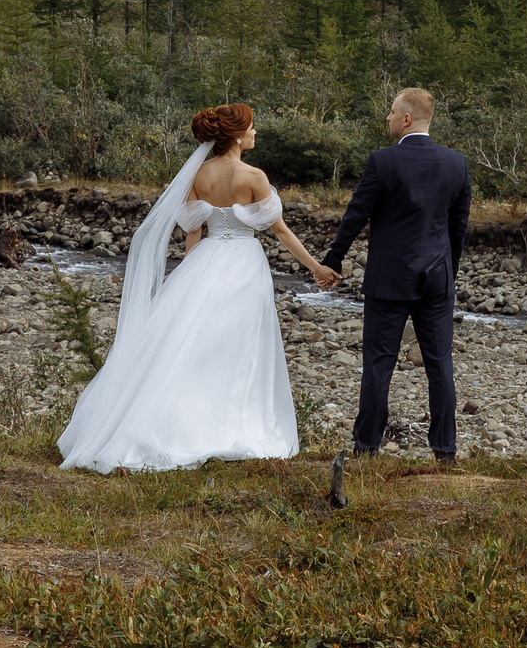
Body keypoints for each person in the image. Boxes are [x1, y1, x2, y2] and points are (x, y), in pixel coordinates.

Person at [56, 102, 339, 473]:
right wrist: (317, 267)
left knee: (192, 344)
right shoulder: (254, 176)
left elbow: (193, 232)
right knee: (238, 346)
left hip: (205, 260)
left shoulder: (197, 175)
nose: (256, 133)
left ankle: (178, 422)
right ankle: (230, 424)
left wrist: (189, 279)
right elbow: (280, 231)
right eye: (253, 127)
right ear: (237, 135)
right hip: (243, 265)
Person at [320, 87, 471, 461]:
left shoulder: (382, 162)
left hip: (388, 279)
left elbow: (356, 215)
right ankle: (445, 452)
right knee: (440, 365)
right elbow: (459, 226)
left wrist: (333, 261)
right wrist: (447, 270)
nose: (386, 118)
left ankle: (367, 448)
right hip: (437, 278)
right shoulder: (457, 163)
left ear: (406, 118)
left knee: (378, 364)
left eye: (390, 112)